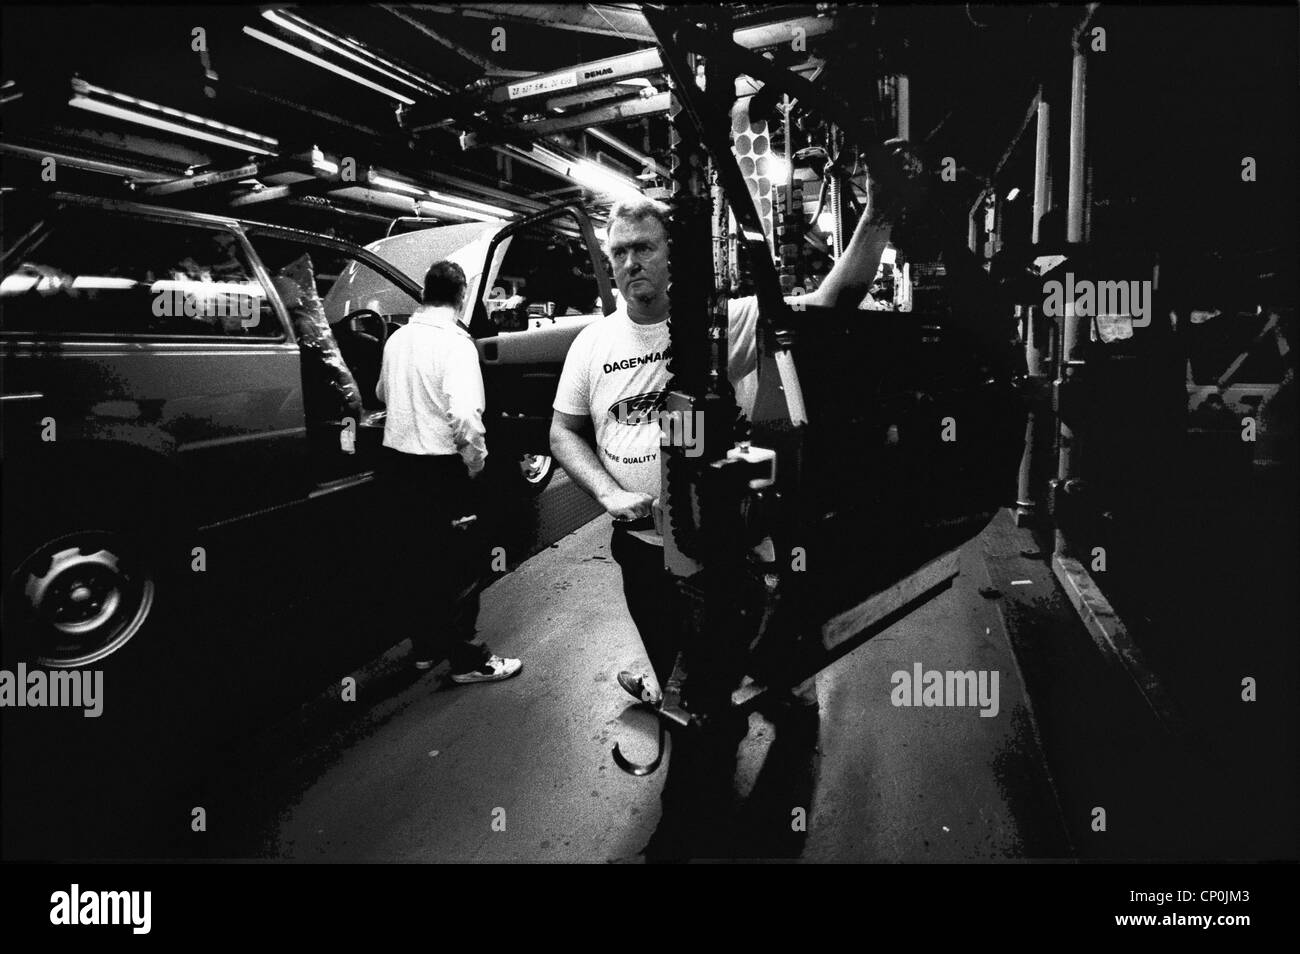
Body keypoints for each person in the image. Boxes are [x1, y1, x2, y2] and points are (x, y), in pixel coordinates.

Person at [550, 145, 912, 706]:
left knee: (722, 674)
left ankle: (737, 710)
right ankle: (684, 700)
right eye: (619, 252)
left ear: (672, 255)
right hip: (642, 549)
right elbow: (562, 432)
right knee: (673, 664)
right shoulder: (591, 345)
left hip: (714, 550)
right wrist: (607, 491)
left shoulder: (722, 323)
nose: (630, 263)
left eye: (643, 248)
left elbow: (830, 301)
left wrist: (879, 215)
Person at [377, 259, 522, 683]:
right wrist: (475, 465)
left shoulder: (396, 340)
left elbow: (382, 393)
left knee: (417, 557)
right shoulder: (457, 344)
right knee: (461, 563)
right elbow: (465, 416)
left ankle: (425, 649)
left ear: (424, 293)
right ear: (461, 297)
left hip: (397, 467)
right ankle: (467, 660)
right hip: (441, 469)